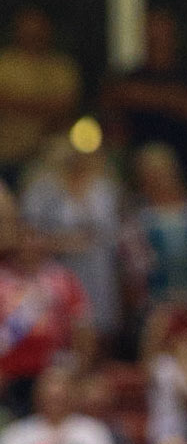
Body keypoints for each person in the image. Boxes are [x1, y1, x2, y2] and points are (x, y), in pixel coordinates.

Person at [22, 136, 122, 343]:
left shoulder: (103, 188)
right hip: (59, 269)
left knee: (99, 329)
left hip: (97, 270)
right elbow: (28, 232)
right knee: (62, 328)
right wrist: (62, 243)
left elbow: (113, 231)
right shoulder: (42, 190)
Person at [105, 7, 187, 186]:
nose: (157, 39)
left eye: (162, 32)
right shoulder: (133, 75)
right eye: (151, 33)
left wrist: (148, 96)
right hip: (141, 161)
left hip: (182, 160)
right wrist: (173, 99)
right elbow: (117, 98)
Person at [0, 223, 95, 411]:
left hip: (52, 371)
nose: (29, 245)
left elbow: (83, 328)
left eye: (34, 238)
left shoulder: (62, 280)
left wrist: (79, 372)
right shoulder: (3, 281)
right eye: (23, 239)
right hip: (9, 373)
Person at [0, 360, 116, 444]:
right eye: (50, 396)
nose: (55, 400)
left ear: (72, 396)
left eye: (60, 397)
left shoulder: (92, 430)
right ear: (37, 396)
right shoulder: (17, 433)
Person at [123, 143, 187, 320]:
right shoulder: (138, 216)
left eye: (162, 173)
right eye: (151, 175)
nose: (158, 179)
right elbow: (134, 267)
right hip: (156, 299)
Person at [0, 9, 80, 186]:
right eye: (27, 30)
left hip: (47, 152)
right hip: (6, 151)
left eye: (38, 30)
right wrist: (42, 104)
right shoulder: (5, 63)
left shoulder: (61, 67)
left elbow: (64, 108)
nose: (32, 35)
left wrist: (16, 102)